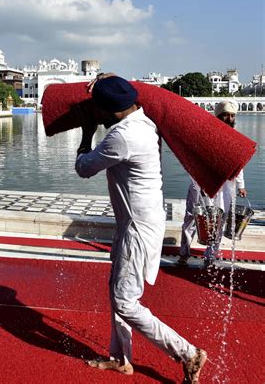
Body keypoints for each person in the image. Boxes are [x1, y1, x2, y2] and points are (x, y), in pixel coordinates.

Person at [74, 75, 207, 382]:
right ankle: (120, 358)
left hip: (137, 228)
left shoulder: (122, 136)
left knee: (124, 300)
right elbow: (116, 92)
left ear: (108, 111)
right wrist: (105, 82)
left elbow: (83, 168)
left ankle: (187, 353)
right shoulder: (143, 121)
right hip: (137, 222)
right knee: (116, 290)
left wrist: (85, 134)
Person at [178, 100, 247, 268]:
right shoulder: (204, 135)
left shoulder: (235, 138)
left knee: (219, 220)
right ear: (218, 117)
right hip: (200, 184)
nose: (230, 119)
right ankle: (184, 253)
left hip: (224, 187)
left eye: (232, 116)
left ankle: (210, 258)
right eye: (226, 116)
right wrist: (200, 181)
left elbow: (238, 164)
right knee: (191, 218)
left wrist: (241, 186)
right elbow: (193, 161)